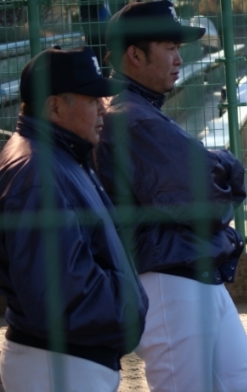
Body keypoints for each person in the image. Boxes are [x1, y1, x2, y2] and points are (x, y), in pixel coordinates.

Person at [95, 0, 247, 392]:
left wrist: (214, 164)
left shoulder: (140, 109)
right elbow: (208, 203)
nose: (179, 58)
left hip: (190, 271)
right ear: (134, 55)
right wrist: (223, 164)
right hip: (166, 283)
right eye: (169, 48)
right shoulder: (131, 117)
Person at [0, 47, 148, 391]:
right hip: (58, 367)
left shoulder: (59, 155)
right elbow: (57, 295)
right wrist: (124, 308)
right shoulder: (38, 174)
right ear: (54, 107)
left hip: (65, 361)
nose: (103, 108)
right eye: (92, 99)